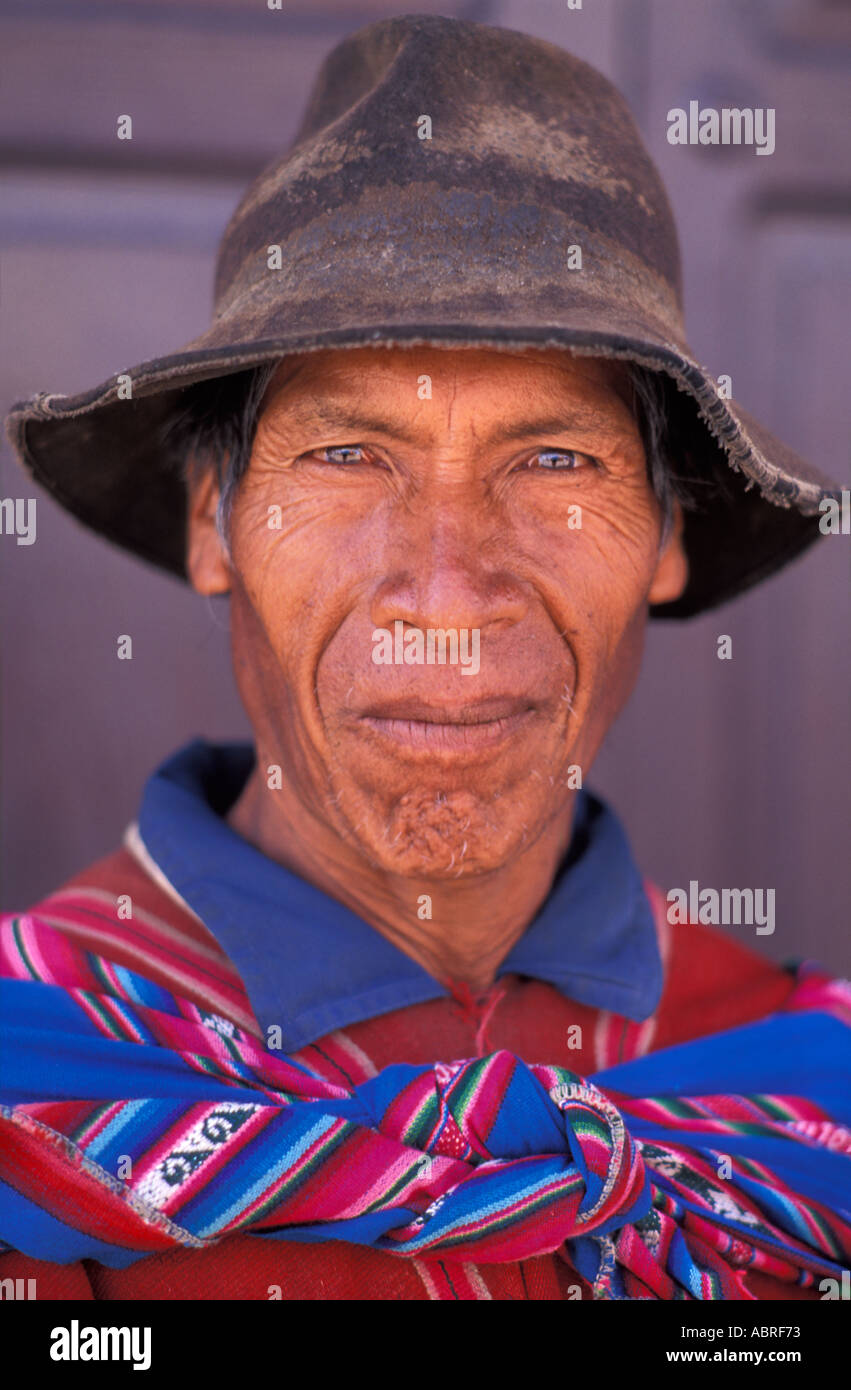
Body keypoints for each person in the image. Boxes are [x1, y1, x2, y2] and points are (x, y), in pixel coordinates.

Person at [1, 14, 848, 1302]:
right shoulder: (42, 1079)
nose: (448, 583)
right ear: (211, 523)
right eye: (347, 457)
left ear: (669, 539)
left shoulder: (795, 1084)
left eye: (555, 461)